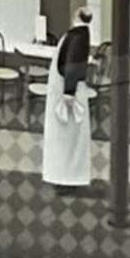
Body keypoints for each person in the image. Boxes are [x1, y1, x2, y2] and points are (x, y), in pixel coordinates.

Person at [41, 12, 99, 193]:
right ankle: (65, 176)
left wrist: (68, 93)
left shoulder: (78, 36)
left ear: (77, 16)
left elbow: (73, 65)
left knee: (67, 139)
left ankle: (66, 178)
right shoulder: (80, 35)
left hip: (67, 94)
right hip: (66, 90)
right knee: (68, 139)